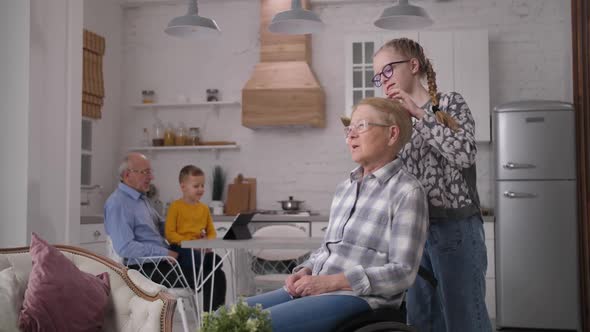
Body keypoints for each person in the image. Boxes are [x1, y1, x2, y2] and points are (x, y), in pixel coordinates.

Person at [245, 97, 429, 332]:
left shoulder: (407, 192)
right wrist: (305, 271)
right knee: (223, 317)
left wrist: (331, 282)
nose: (351, 135)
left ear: (392, 134)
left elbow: (403, 273)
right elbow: (327, 251)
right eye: (349, 128)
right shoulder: (346, 188)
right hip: (318, 288)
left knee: (256, 325)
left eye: (361, 126)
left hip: (359, 298)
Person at [371, 37, 492, 331]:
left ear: (413, 66)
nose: (383, 80)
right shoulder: (396, 121)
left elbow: (464, 154)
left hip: (456, 230)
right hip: (414, 235)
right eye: (378, 76)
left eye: (388, 70)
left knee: (465, 321)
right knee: (421, 320)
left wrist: (418, 114)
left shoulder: (449, 103)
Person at [103, 153, 222, 311]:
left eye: (150, 172)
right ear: (127, 175)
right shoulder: (117, 203)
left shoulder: (142, 200)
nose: (151, 177)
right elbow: (125, 248)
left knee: (215, 265)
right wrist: (165, 252)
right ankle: (211, 326)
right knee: (212, 274)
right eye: (145, 172)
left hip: (163, 263)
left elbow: (163, 227)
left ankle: (212, 325)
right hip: (144, 270)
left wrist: (191, 231)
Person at [165, 164, 226, 311]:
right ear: (183, 186)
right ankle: (210, 318)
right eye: (196, 186)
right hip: (181, 248)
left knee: (216, 264)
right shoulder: (176, 207)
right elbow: (169, 233)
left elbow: (211, 232)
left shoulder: (204, 208)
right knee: (210, 267)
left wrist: (206, 242)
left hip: (199, 248)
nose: (201, 189)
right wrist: (189, 244)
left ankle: (213, 316)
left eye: (202, 185)